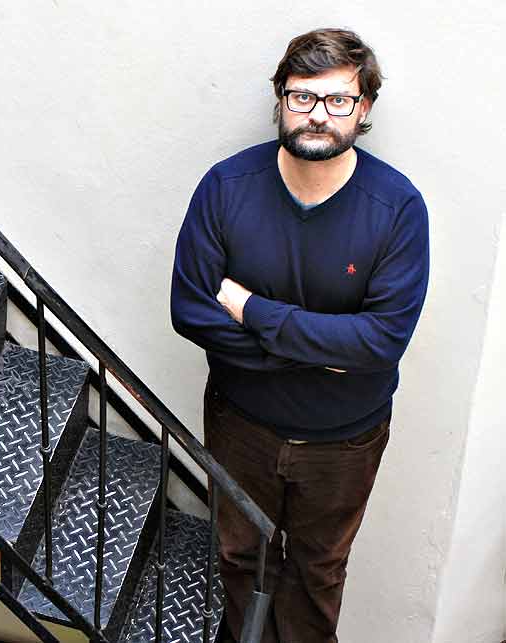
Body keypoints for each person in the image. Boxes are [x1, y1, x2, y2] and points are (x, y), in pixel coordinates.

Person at [170, 28, 429, 643]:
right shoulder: (226, 187)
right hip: (241, 426)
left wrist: (252, 310)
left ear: (364, 107)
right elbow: (190, 311)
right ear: (280, 100)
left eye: (338, 99)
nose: (317, 114)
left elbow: (382, 343)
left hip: (344, 443)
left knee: (318, 572)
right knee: (238, 558)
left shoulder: (397, 208)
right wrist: (325, 352)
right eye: (302, 96)